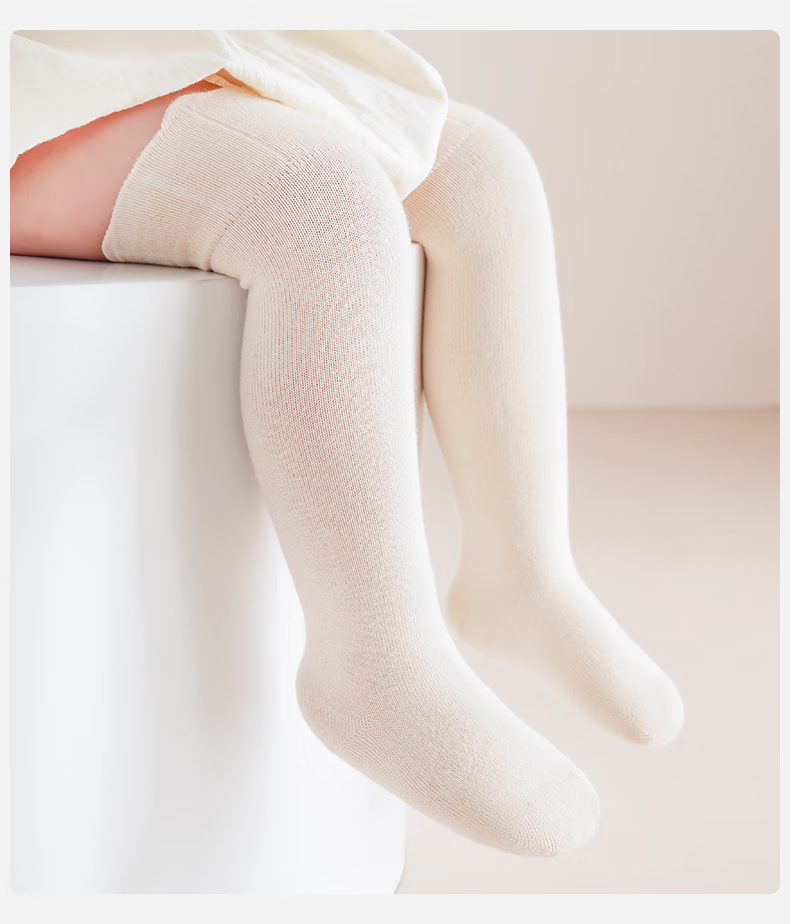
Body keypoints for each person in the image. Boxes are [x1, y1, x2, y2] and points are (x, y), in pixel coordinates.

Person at [10, 30, 684, 858]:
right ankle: (378, 667)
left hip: (166, 46)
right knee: (316, 204)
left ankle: (523, 572)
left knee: (481, 172)